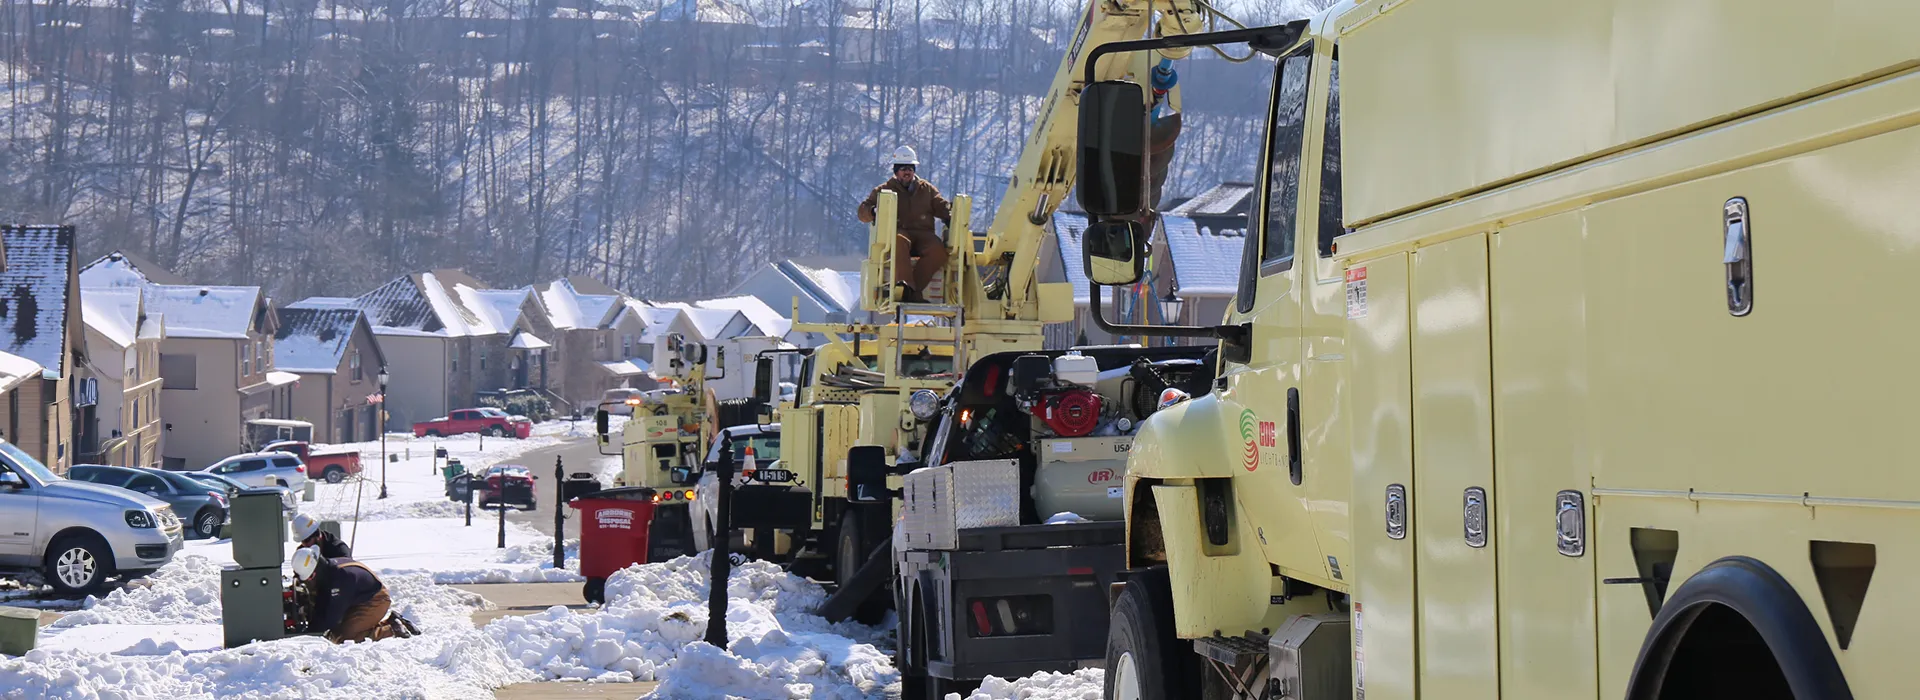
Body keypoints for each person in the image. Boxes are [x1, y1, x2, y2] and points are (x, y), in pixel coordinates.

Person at [857, 146, 952, 304]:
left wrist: (952, 214)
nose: (906, 172)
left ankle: (912, 292)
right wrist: (872, 211)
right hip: (900, 233)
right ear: (895, 171)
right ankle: (905, 286)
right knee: (899, 240)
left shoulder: (927, 190)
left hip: (923, 234)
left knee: (938, 250)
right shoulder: (883, 190)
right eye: (902, 168)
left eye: (909, 168)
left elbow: (941, 206)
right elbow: (862, 212)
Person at [292, 546, 397, 643]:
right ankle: (392, 622)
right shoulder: (328, 570)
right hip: (359, 597)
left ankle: (392, 630)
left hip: (376, 599)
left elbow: (331, 617)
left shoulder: (339, 580)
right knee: (340, 629)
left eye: (309, 579)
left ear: (313, 574)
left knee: (343, 637)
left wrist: (311, 633)